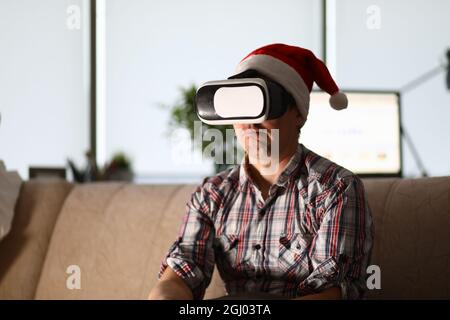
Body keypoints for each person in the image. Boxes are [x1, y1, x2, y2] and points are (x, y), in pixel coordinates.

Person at [148, 43, 374, 300]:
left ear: (298, 114)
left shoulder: (336, 189)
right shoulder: (212, 194)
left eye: (263, 106)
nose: (250, 123)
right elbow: (181, 272)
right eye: (241, 107)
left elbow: (334, 294)